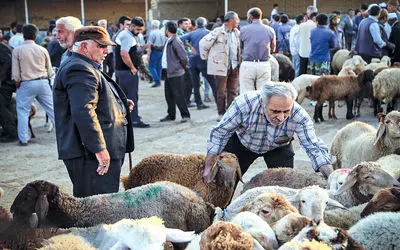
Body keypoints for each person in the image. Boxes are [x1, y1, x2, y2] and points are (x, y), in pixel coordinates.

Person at [53, 26, 134, 198]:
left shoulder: (85, 64)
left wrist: (117, 104)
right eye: (101, 46)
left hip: (94, 152)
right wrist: (99, 149)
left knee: (103, 203)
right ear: (84, 46)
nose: (106, 50)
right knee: (98, 206)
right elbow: (84, 110)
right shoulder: (79, 68)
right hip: (89, 155)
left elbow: (89, 98)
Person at [203, 82, 333, 185]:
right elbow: (220, 132)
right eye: (275, 111)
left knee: (284, 184)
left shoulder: (300, 115)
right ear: (262, 103)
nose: (281, 118)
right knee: (224, 182)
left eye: (286, 111)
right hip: (243, 143)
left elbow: (313, 147)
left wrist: (331, 175)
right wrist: (208, 166)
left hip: (278, 147)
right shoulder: (244, 104)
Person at [11, 24, 55, 146]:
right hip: (42, 81)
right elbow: (50, 71)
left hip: (26, 83)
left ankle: (24, 139)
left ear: (23, 35)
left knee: (23, 111)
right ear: (36, 35)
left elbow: (15, 74)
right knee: (52, 109)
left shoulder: (17, 50)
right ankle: (64, 135)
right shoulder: (43, 50)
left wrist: (17, 82)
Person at [200, 11, 240, 120]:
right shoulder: (218, 31)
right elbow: (203, 44)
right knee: (221, 92)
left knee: (232, 91)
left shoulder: (237, 32)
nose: (238, 21)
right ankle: (221, 113)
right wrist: (208, 58)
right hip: (221, 67)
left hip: (234, 66)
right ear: (231, 20)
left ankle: (231, 113)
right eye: (237, 19)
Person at [115, 17, 150, 128]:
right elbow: (124, 54)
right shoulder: (127, 37)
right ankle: (134, 119)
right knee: (132, 96)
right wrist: (132, 68)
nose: (140, 32)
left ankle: (127, 118)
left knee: (125, 96)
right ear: (132, 26)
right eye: (138, 29)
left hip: (122, 71)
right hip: (127, 72)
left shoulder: (126, 34)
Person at [181, 17, 218, 110]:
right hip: (204, 60)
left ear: (196, 25)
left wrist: (190, 46)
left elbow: (180, 39)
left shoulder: (192, 33)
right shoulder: (209, 33)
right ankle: (219, 103)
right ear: (205, 24)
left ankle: (199, 104)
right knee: (213, 83)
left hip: (193, 61)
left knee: (196, 84)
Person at [159, 21, 191, 123]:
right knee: (169, 95)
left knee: (179, 95)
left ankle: (185, 115)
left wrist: (180, 67)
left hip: (176, 73)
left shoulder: (176, 41)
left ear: (167, 30)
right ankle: (171, 114)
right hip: (168, 72)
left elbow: (184, 57)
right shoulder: (169, 40)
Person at [239, 7, 276, 94]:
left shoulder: (243, 30)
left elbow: (240, 47)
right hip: (264, 65)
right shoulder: (270, 30)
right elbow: (273, 48)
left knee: (246, 93)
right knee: (263, 94)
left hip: (248, 65)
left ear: (250, 17)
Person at [0, 42, 17, 142]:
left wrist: (1, 79)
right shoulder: (6, 46)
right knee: (5, 106)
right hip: (7, 82)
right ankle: (8, 130)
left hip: (6, 84)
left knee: (2, 107)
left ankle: (12, 133)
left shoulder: (2, 48)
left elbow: (7, 61)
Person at [146, 20, 165, 88]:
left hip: (154, 51)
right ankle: (158, 80)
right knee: (158, 67)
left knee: (151, 67)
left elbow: (149, 44)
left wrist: (148, 55)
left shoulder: (152, 33)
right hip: (161, 51)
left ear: (153, 25)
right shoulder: (162, 32)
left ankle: (157, 81)